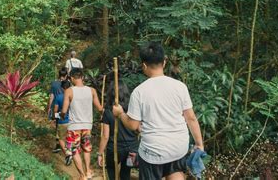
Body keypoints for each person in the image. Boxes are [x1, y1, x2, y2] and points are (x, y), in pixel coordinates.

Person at [112, 42, 204, 180]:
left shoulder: (139, 92)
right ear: (164, 62)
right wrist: (199, 143)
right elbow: (191, 118)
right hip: (178, 147)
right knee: (176, 171)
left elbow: (133, 125)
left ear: (144, 65)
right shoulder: (180, 87)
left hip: (153, 151)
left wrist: (120, 114)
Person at [61, 67, 103, 180]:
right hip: (87, 125)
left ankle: (82, 175)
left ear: (71, 78)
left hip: (74, 126)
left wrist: (61, 115)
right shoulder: (92, 90)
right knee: (87, 149)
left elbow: (64, 111)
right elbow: (100, 108)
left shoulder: (69, 91)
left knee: (74, 150)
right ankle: (88, 171)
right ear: (82, 77)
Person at [97, 80, 139, 180]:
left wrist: (99, 153)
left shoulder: (108, 111)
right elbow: (138, 128)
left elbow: (106, 136)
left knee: (111, 171)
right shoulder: (132, 109)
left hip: (115, 148)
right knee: (126, 173)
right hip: (132, 148)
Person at [47, 67, 68, 153]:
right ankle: (66, 145)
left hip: (56, 108)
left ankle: (58, 144)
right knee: (67, 125)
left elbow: (51, 96)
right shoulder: (67, 84)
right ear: (66, 75)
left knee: (57, 125)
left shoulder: (54, 84)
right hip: (66, 108)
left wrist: (49, 107)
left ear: (59, 75)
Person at [52, 80, 72, 161]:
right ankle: (70, 150)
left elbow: (55, 110)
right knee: (69, 138)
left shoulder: (59, 96)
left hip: (62, 121)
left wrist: (55, 119)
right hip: (72, 121)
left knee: (60, 139)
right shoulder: (72, 96)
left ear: (62, 87)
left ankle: (67, 154)